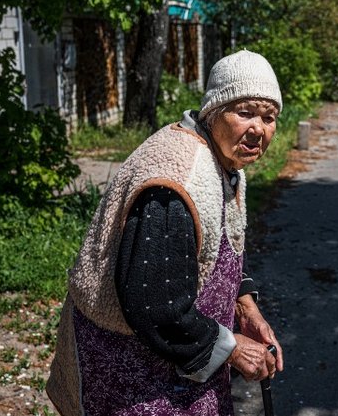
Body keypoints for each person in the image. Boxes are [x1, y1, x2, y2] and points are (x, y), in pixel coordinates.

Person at [47, 50, 285, 416]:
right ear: (214, 111)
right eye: (246, 112)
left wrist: (245, 304)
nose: (259, 129)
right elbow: (153, 303)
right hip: (132, 372)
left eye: (269, 117)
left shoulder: (225, 161)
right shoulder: (176, 181)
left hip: (181, 361)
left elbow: (221, 247)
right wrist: (232, 348)